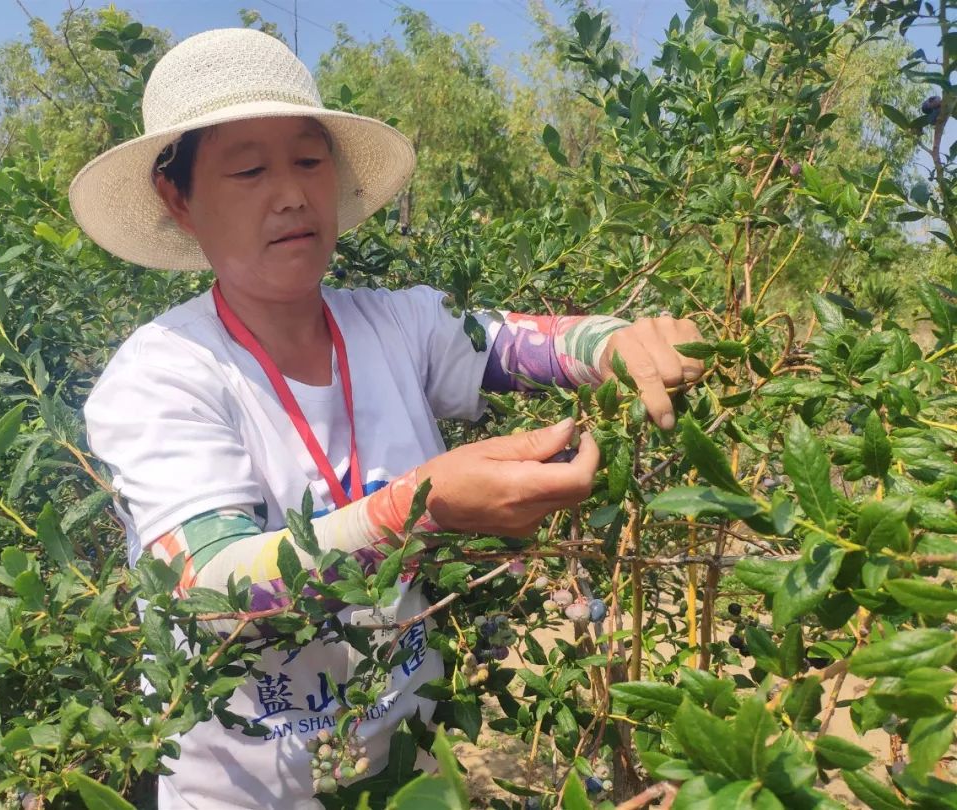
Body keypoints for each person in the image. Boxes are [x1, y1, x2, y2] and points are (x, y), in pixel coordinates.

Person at [69, 27, 703, 810]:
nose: (292, 193)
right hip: (240, 795)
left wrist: (621, 342)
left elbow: (529, 346)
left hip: (406, 770)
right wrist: (416, 511)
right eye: (248, 170)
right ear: (179, 198)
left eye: (308, 160)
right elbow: (213, 585)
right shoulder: (162, 375)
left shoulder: (400, 327)